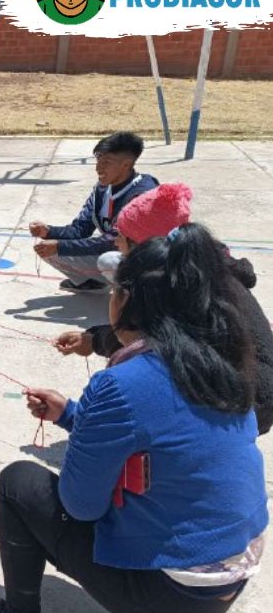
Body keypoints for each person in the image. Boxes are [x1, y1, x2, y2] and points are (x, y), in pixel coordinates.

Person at [0, 224, 268, 613]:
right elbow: (165, 440)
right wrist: (71, 415)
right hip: (229, 583)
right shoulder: (221, 364)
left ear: (125, 299)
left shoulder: (124, 383)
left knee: (19, 484)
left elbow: (80, 505)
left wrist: (88, 428)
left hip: (169, 597)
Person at [54, 184, 273, 434]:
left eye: (121, 235)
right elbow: (153, 338)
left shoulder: (184, 290)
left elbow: (151, 342)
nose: (115, 241)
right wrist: (93, 340)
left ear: (145, 246)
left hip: (247, 403)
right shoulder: (191, 272)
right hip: (236, 391)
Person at [30, 132, 158, 292]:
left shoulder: (141, 194)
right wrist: (49, 231)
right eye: (98, 160)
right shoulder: (102, 188)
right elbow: (80, 229)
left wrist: (60, 246)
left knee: (107, 260)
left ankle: (133, 295)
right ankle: (92, 282)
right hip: (119, 252)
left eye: (106, 162)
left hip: (146, 262)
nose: (98, 168)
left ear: (126, 164)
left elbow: (112, 240)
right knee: (49, 248)